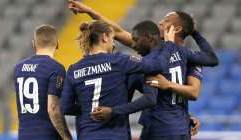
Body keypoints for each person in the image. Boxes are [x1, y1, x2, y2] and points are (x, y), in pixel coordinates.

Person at [67, 1, 219, 140]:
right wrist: (89, 11)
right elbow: (118, 31)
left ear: (176, 28)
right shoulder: (152, 50)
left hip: (168, 126)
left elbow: (194, 92)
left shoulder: (185, 57)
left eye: (165, 21)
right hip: (157, 124)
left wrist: (168, 85)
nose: (159, 22)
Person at [60, 20, 166, 140]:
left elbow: (65, 107)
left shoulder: (73, 69)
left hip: (87, 135)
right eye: (112, 39)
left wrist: (88, 108)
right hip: (116, 135)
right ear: (105, 37)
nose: (114, 44)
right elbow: (157, 65)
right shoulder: (118, 61)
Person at [13, 25, 72, 140]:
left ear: (33, 44)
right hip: (47, 135)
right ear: (58, 44)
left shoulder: (18, 68)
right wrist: (67, 137)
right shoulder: (56, 68)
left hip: (23, 136)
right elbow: (53, 107)